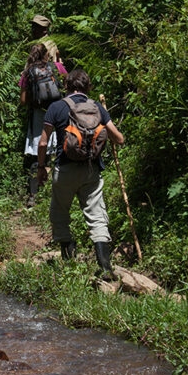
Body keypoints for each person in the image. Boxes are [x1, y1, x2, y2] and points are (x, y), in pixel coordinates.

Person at [36, 69, 124, 278]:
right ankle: (105, 267)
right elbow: (119, 139)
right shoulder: (97, 108)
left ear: (66, 86)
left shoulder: (56, 108)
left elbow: (42, 141)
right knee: (97, 217)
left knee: (60, 214)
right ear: (87, 87)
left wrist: (41, 167)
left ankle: (68, 262)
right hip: (91, 171)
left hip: (64, 170)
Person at [19, 43, 57, 208]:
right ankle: (53, 194)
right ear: (46, 55)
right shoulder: (56, 68)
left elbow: (22, 100)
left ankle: (34, 196)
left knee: (37, 154)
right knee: (55, 153)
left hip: (38, 117)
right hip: (57, 114)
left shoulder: (27, 73)